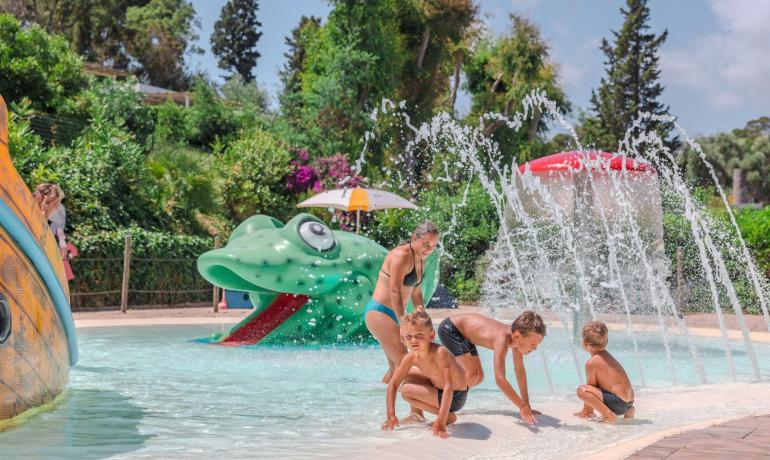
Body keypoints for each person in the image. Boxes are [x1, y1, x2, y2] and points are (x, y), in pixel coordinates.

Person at [437, 310, 546, 424]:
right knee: (472, 373)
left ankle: (445, 401)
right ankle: (440, 400)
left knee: (478, 377)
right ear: (518, 335)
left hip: (464, 335)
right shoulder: (502, 339)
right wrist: (521, 406)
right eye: (533, 344)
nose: (535, 349)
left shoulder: (517, 339)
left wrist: (526, 404)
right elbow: (499, 379)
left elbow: (519, 371)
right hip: (451, 329)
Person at [365, 221, 440, 383]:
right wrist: (404, 323)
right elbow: (395, 290)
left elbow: (416, 291)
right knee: (405, 364)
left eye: (433, 246)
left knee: (395, 368)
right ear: (414, 238)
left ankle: (378, 399)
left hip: (395, 315)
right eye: (426, 243)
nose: (429, 249)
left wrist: (422, 317)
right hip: (380, 313)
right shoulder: (402, 255)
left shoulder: (420, 258)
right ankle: (416, 409)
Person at [381, 311, 467, 439]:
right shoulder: (410, 357)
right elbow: (393, 384)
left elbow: (448, 387)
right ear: (403, 339)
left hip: (456, 396)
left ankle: (447, 416)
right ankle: (417, 415)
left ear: (431, 335)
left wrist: (441, 423)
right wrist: (391, 415)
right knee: (403, 374)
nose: (414, 340)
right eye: (409, 337)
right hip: (438, 388)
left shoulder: (440, 353)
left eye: (419, 335)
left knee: (406, 391)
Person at [574, 321, 635, 423]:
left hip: (618, 403)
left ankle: (608, 416)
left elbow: (591, 388)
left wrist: (587, 410)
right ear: (606, 342)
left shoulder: (592, 363)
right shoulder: (608, 356)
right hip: (629, 402)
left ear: (584, 343)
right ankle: (629, 411)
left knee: (582, 390)